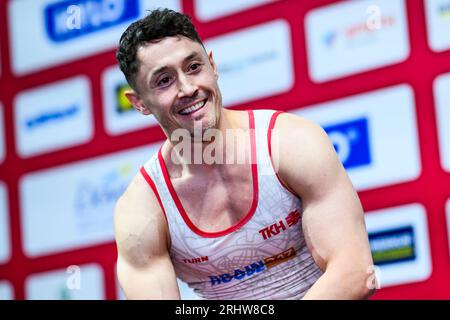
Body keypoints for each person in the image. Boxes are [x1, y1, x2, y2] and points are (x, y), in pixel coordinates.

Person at [114, 8, 375, 300]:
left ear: (212, 65)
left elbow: (355, 273)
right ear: (139, 103)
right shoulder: (142, 209)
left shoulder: (288, 143)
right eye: (164, 81)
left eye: (193, 67)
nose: (187, 88)